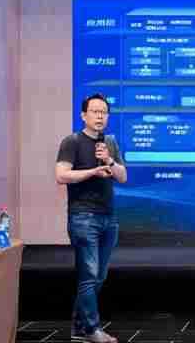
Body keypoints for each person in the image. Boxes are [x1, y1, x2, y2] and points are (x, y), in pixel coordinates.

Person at [55, 93, 127, 343]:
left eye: (104, 112)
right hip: (83, 217)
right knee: (89, 275)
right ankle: (92, 329)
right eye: (95, 111)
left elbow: (122, 176)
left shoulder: (110, 142)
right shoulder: (72, 142)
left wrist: (109, 160)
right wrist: (93, 171)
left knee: (99, 276)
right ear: (83, 115)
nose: (100, 116)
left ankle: (79, 328)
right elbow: (61, 175)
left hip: (109, 217)